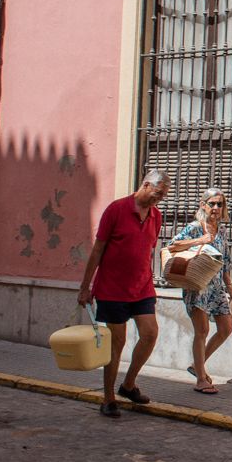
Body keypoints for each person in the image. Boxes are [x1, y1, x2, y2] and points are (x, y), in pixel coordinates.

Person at [77, 168, 170, 417]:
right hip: (112, 289)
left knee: (150, 334)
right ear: (146, 185)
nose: (158, 199)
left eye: (162, 196)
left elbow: (146, 250)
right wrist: (85, 287)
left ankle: (128, 385)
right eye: (158, 193)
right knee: (116, 343)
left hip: (142, 287)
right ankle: (108, 398)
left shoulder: (156, 216)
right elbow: (97, 250)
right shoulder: (116, 210)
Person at [166, 187, 232, 395]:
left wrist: (230, 286)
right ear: (203, 205)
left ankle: (197, 365)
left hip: (216, 287)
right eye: (212, 203)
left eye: (219, 204)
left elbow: (223, 261)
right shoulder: (195, 227)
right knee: (202, 331)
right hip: (197, 285)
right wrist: (200, 240)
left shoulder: (221, 230)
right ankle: (200, 378)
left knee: (226, 328)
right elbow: (172, 246)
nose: (215, 207)